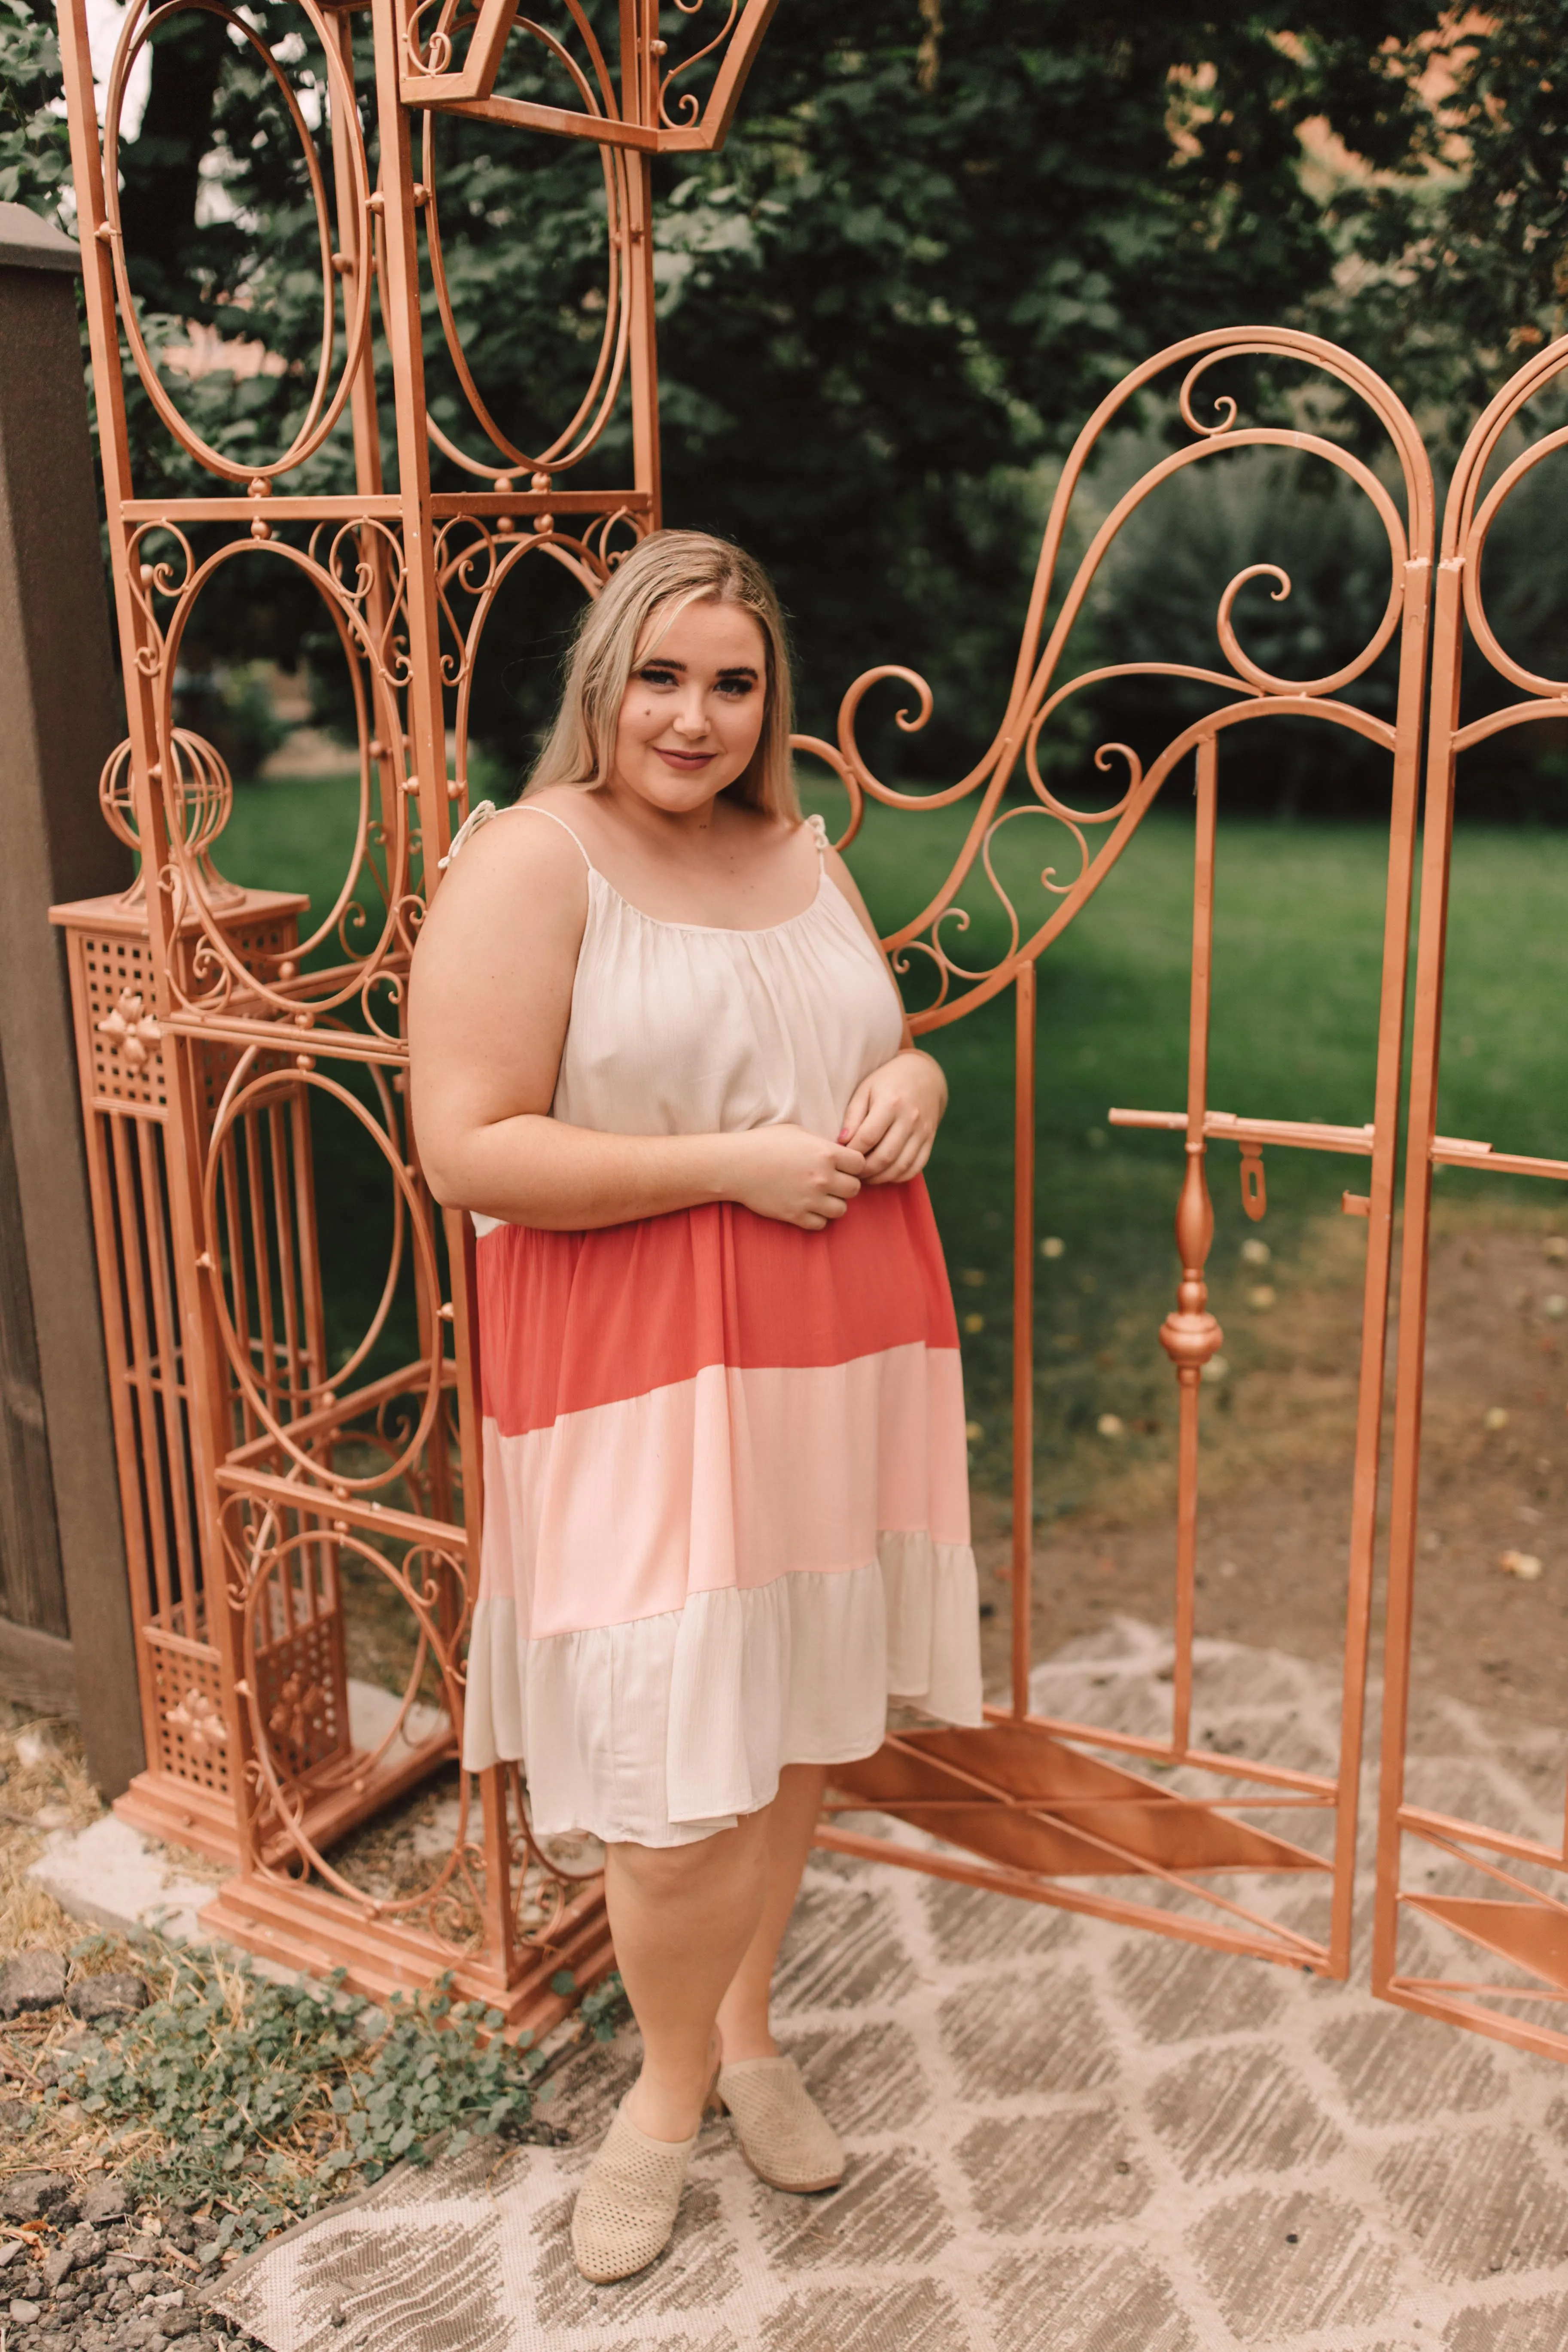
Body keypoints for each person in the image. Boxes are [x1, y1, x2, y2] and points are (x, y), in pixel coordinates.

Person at [408, 529, 982, 2284]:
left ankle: (750, 2037)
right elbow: (468, 1146)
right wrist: (732, 1161)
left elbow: (867, 1039)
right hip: (637, 1380)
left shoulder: (797, 854)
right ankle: (663, 2096)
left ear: (768, 698)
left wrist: (918, 1075)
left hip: (840, 1346)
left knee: (796, 1711)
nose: (699, 714)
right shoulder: (531, 858)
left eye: (734, 682)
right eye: (664, 674)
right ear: (606, 678)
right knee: (670, 1783)